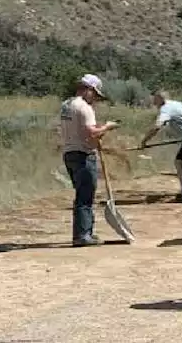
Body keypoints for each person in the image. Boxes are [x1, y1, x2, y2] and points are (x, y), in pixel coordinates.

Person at [58, 74, 119, 247]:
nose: (95, 100)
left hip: (69, 152)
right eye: (95, 95)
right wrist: (107, 127)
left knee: (81, 194)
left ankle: (85, 232)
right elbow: (92, 133)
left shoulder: (66, 104)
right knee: (85, 196)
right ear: (89, 90)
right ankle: (83, 235)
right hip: (83, 154)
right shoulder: (84, 107)